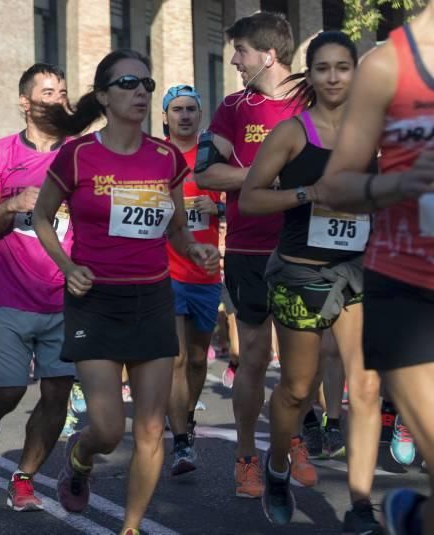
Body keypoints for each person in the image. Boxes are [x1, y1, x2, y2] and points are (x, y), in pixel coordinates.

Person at [33, 49, 219, 534]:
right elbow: (40, 216)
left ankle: (131, 526)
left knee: (153, 427)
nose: (140, 91)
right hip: (95, 301)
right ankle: (80, 455)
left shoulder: (165, 158)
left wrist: (193, 249)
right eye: (129, 83)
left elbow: (176, 228)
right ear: (103, 96)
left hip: (153, 298)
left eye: (147, 84)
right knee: (109, 429)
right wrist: (67, 264)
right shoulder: (78, 154)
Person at [239, 31, 381, 532]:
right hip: (301, 272)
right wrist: (309, 191)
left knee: (364, 387)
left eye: (343, 67)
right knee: (298, 390)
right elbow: (251, 198)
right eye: (323, 68)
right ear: (311, 75)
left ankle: (360, 504)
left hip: (358, 271)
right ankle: (277, 469)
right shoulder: (292, 133)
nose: (334, 77)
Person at [311, 4, 434, 532]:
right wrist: (396, 185)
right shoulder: (389, 66)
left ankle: (416, 515)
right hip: (407, 290)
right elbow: (336, 184)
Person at [194, 11, 311, 498]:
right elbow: (205, 174)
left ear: (267, 55)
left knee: (302, 370)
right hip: (248, 249)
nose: (235, 62)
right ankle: (246, 456)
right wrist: (265, 173)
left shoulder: (312, 103)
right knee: (257, 357)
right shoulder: (232, 108)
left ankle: (292, 439)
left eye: (240, 52)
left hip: (305, 249)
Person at [0, 62, 75, 513]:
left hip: (67, 295)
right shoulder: (0, 153)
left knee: (57, 394)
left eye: (63, 92)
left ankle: (25, 477)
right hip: (10, 293)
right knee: (8, 390)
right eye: (48, 92)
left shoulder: (80, 152)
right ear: (25, 103)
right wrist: (13, 203)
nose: (59, 99)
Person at [160, 84, 224, 476]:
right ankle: (181, 442)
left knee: (198, 358)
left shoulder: (212, 155)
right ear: (165, 116)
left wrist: (214, 204)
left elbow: (244, 198)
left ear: (199, 115)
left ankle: (186, 418)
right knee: (178, 358)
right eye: (177, 109)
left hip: (206, 271)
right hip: (167, 271)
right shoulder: (158, 155)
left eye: (191, 109)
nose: (184, 115)